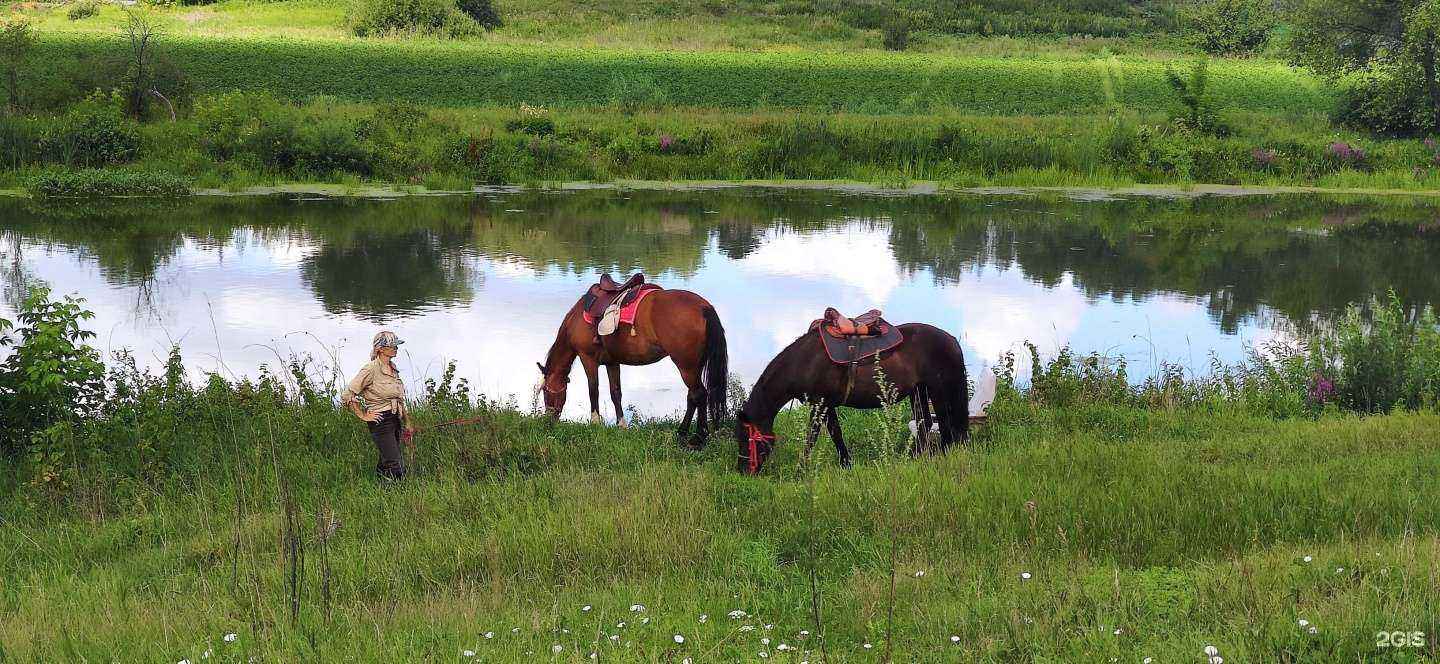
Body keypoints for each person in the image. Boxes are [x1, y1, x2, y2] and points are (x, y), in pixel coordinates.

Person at [342, 330, 412, 479]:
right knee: (395, 464)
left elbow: (399, 399)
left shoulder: (393, 368)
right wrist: (363, 415)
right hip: (380, 420)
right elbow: (347, 395)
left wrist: (407, 422)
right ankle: (399, 490)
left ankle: (379, 485)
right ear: (380, 349)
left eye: (396, 345)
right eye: (392, 346)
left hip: (395, 418)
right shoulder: (370, 369)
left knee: (387, 460)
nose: (396, 348)